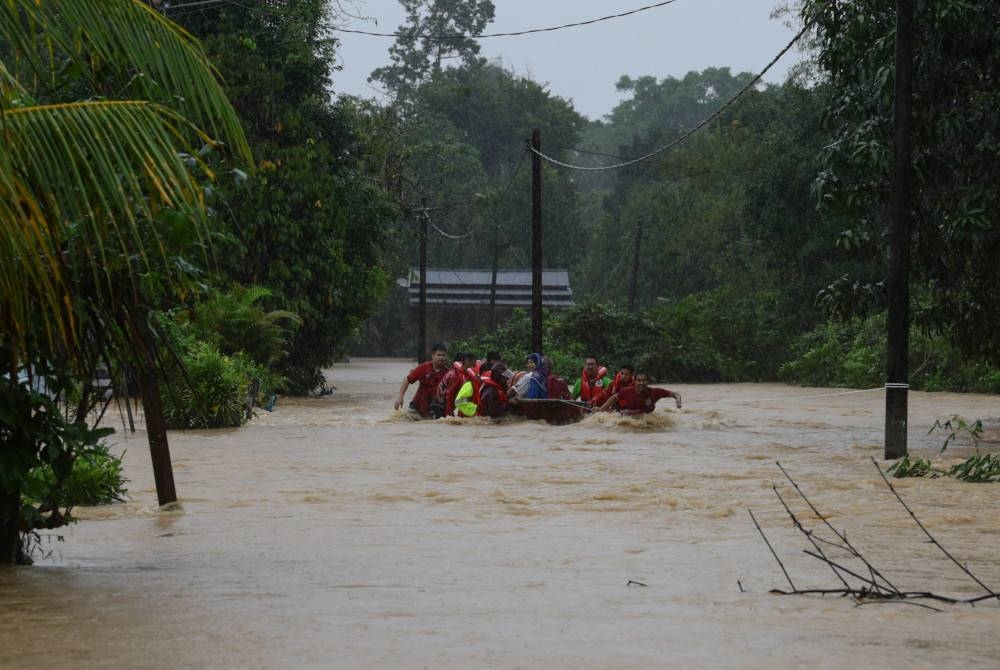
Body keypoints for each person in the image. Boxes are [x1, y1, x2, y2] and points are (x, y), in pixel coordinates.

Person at [394, 343, 451, 418]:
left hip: (436, 408)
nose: (441, 357)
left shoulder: (448, 373)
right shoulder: (423, 368)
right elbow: (407, 380)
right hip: (417, 406)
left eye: (443, 355)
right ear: (433, 356)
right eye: (439, 355)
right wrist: (400, 397)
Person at [599, 372, 682, 415]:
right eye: (639, 380)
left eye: (644, 380)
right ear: (635, 382)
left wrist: (678, 400)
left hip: (646, 419)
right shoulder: (627, 391)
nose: (642, 383)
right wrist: (601, 409)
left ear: (648, 382)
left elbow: (676, 394)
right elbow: (613, 398)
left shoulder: (655, 392)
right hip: (628, 419)